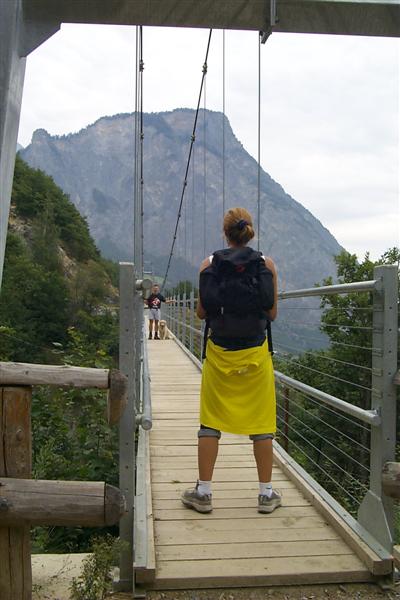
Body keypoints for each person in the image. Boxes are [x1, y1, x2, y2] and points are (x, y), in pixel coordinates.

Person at [181, 207, 281, 514]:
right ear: (249, 232)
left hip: (220, 354)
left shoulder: (208, 264)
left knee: (210, 422)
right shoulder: (267, 264)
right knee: (262, 424)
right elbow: (272, 313)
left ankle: (203, 492)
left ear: (225, 234)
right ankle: (266, 495)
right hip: (255, 354)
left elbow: (200, 313)